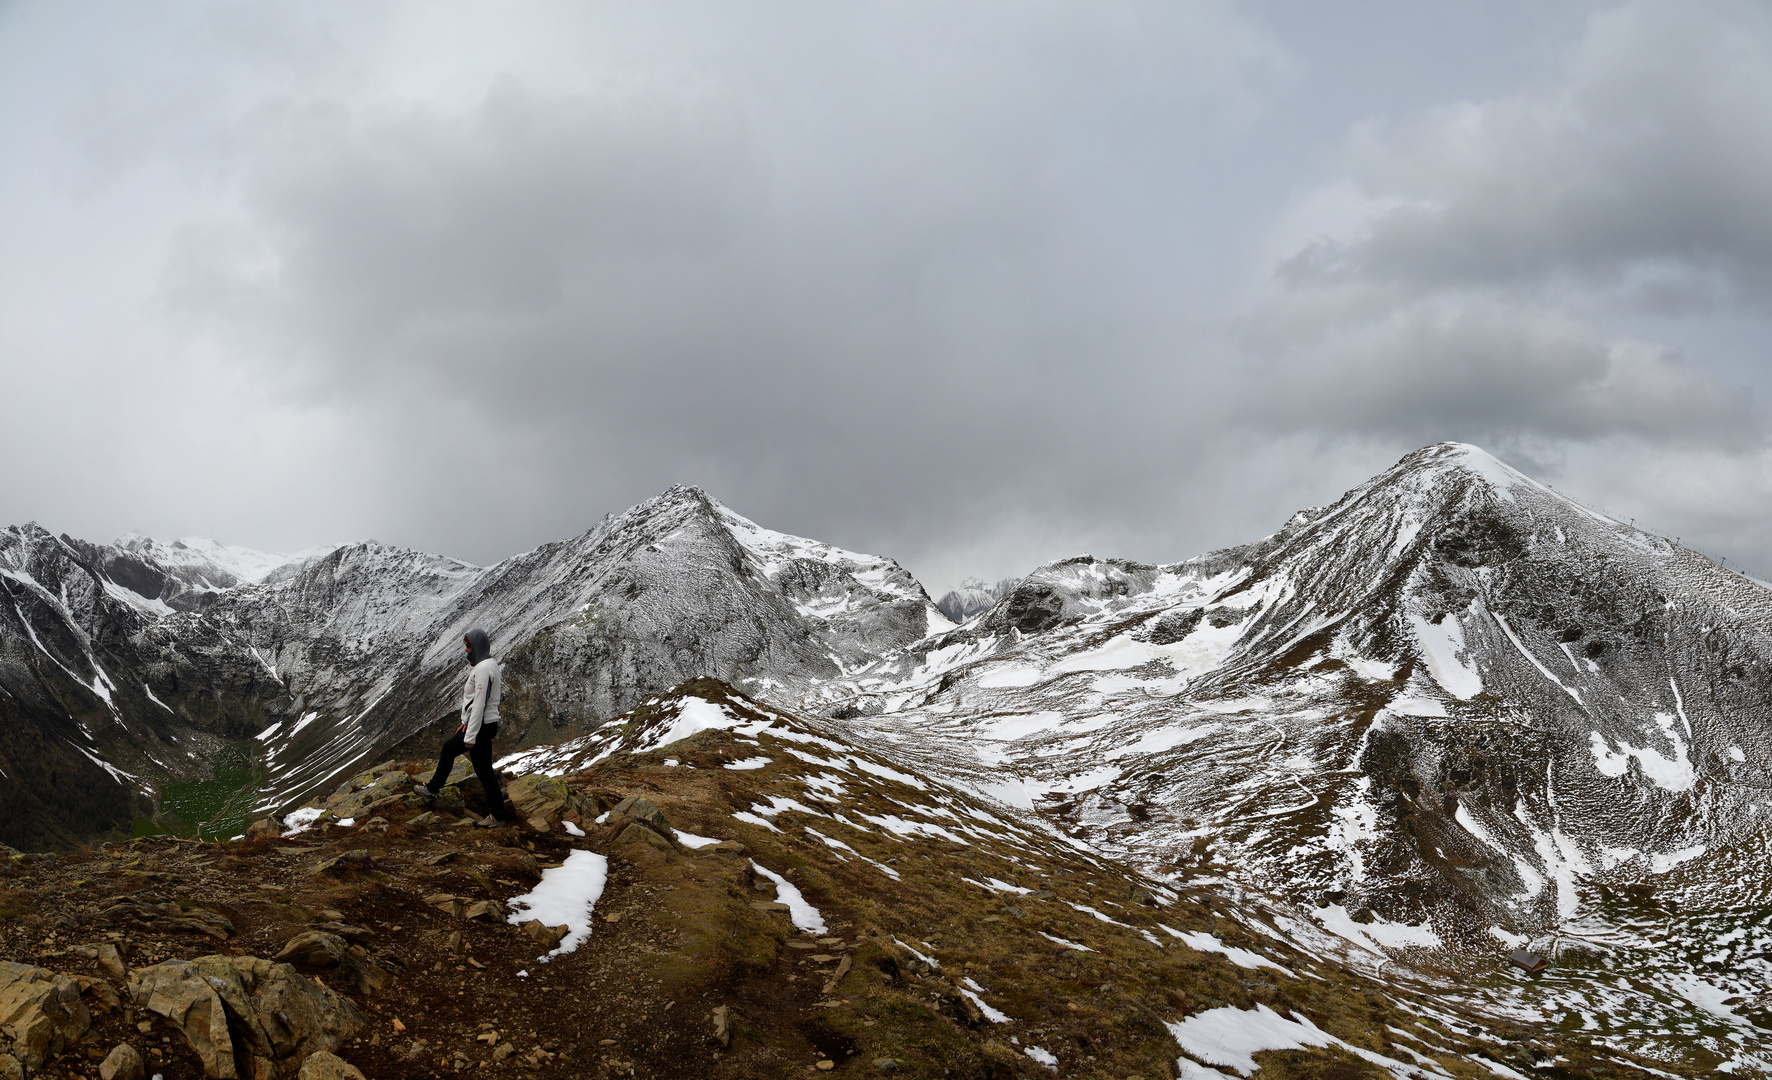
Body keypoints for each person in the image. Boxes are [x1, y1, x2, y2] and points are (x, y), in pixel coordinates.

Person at [415, 628, 508, 827]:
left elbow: (480, 704)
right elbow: (477, 703)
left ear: (477, 646)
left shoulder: (483, 669)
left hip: (481, 726)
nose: (466, 651)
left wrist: (470, 736)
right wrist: (466, 724)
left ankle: (431, 790)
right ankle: (498, 816)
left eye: (468, 646)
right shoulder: (490, 665)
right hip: (485, 725)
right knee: (484, 772)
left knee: (449, 750)